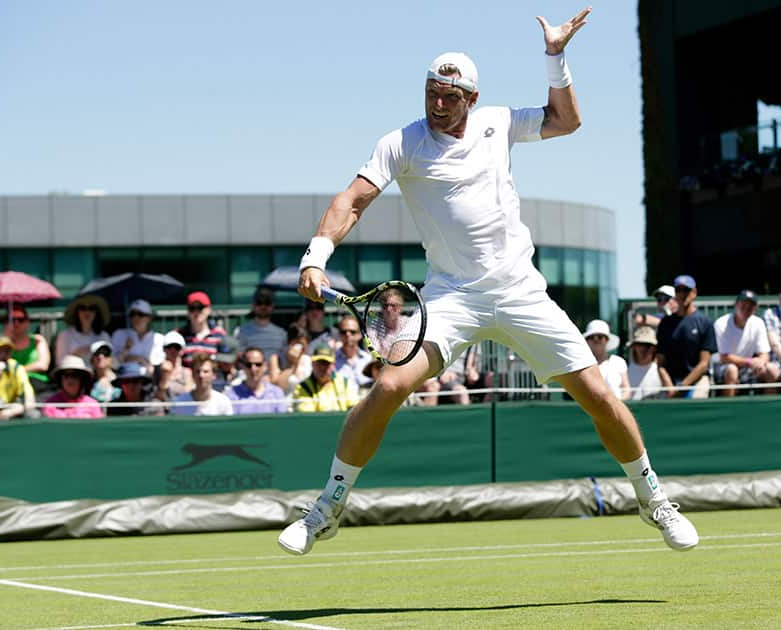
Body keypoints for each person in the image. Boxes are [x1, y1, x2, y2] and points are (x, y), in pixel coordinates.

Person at [279, 12, 698, 557]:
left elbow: (566, 120)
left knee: (598, 394)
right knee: (388, 387)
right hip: (452, 296)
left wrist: (555, 58)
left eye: (450, 96)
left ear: (471, 98)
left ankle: (654, 500)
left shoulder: (500, 122)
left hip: (520, 289)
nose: (437, 103)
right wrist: (316, 256)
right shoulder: (402, 142)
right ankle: (326, 509)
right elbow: (351, 200)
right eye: (432, 92)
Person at [656, 275, 716, 399]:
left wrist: (683, 387)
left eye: (686, 290)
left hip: (698, 381)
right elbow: (661, 363)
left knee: (697, 402)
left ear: (694, 293)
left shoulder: (705, 322)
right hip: (671, 383)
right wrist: (670, 387)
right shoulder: (665, 324)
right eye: (678, 290)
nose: (682, 294)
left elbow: (703, 364)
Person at [712, 290, 777, 397]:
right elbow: (724, 358)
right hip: (722, 367)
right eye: (743, 304)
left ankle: (770, 410)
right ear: (736, 304)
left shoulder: (758, 323)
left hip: (748, 367)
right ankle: (728, 410)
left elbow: (765, 354)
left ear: (755, 308)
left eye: (750, 305)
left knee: (771, 370)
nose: (746, 308)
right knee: (732, 370)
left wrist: (759, 362)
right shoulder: (721, 324)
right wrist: (749, 361)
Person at [292, 345, 360, 413]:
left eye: (326, 363)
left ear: (333, 365)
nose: (322, 368)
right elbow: (308, 418)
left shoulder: (345, 383)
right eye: (319, 363)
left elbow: (354, 409)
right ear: (312, 364)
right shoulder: (303, 387)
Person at [236, 287, 288, 372]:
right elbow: (239, 361)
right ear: (253, 305)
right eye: (259, 303)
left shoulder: (281, 334)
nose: (263, 306)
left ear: (272, 306)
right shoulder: (241, 332)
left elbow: (284, 363)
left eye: (267, 303)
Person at [5, 305, 52, 396]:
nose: (16, 323)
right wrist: (6, 339)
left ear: (27, 322)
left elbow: (43, 365)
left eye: (20, 319)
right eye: (12, 320)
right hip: (12, 385)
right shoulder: (4, 344)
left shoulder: (38, 340)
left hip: (38, 384)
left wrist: (19, 369)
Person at [227, 347, 289, 414]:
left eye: (258, 364)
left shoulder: (276, 393)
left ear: (265, 366)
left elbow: (282, 421)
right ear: (243, 366)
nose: (253, 368)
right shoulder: (232, 394)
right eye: (249, 365)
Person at [170, 353, 234, 416]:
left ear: (214, 375)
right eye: (197, 371)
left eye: (205, 371)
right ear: (192, 374)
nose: (201, 375)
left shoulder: (223, 402)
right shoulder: (179, 403)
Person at [55, 294, 111, 366]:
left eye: (91, 308)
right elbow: (59, 362)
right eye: (83, 308)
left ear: (96, 313)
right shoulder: (65, 335)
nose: (87, 312)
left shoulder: (103, 336)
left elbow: (112, 361)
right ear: (77, 312)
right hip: (75, 375)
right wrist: (75, 355)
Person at [110, 299, 165, 372]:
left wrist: (136, 359)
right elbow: (112, 364)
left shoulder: (159, 338)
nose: (136, 318)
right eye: (132, 314)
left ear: (149, 318)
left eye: (140, 314)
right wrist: (126, 350)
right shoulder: (119, 334)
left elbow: (157, 366)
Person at [583, 319, 630, 401]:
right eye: (591, 337)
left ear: (607, 340)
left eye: (600, 337)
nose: (596, 340)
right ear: (587, 341)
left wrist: (618, 404)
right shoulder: (581, 364)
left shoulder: (619, 362)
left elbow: (626, 389)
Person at [176, 291, 227, 366]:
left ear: (208, 309)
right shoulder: (179, 335)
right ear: (188, 311)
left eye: (200, 307)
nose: (196, 312)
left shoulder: (220, 335)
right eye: (192, 308)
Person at [627, 326, 673, 400]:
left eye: (648, 345)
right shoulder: (625, 371)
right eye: (640, 344)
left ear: (654, 348)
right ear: (634, 347)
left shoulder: (660, 371)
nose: (643, 348)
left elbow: (672, 394)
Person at [334, 315, 374, 389]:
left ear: (360, 335)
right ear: (339, 335)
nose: (348, 335)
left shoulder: (368, 360)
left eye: (352, 332)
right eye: (344, 332)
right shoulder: (332, 361)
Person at [272, 324, 312, 394]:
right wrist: (293, 364)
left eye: (302, 345)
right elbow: (279, 385)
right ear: (288, 343)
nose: (298, 349)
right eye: (295, 344)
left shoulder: (310, 362)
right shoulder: (277, 358)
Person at [155, 331, 195, 401]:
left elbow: (188, 396)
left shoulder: (187, 373)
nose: (173, 350)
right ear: (163, 349)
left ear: (182, 350)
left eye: (177, 347)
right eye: (169, 347)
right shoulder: (156, 370)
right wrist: (165, 376)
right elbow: (158, 398)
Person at [89, 340, 120, 404]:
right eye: (97, 353)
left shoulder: (121, 380)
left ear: (111, 358)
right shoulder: (87, 382)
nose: (101, 356)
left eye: (105, 353)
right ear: (92, 359)